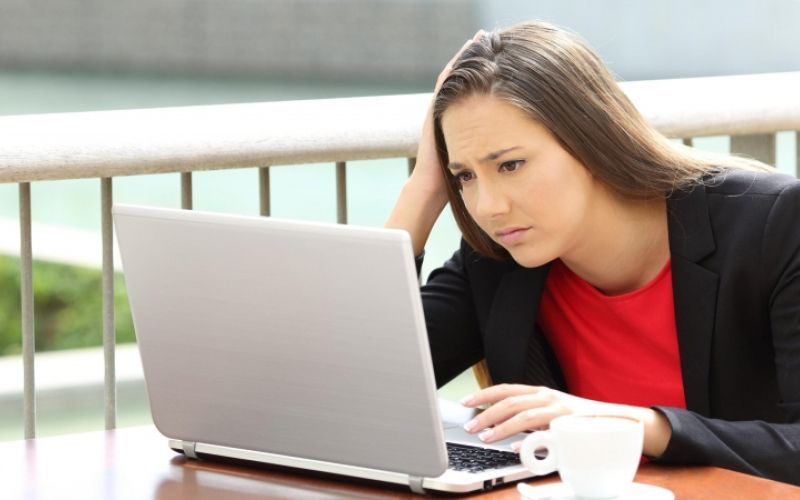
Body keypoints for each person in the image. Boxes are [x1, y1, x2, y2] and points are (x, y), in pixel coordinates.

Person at [385, 21, 800, 485]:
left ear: (590, 137)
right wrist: (424, 188)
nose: (487, 207)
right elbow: (362, 385)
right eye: (465, 176)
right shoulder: (498, 260)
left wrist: (633, 425)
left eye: (510, 164)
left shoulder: (775, 223)